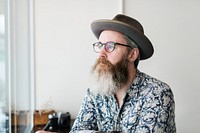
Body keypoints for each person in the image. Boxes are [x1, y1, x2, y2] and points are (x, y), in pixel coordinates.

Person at [36, 14, 176, 133]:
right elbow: (79, 129)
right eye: (100, 45)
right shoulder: (95, 90)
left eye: (110, 46)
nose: (101, 53)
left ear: (132, 54)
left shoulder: (157, 93)